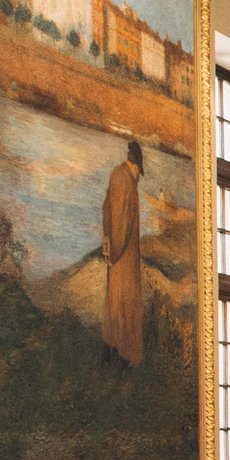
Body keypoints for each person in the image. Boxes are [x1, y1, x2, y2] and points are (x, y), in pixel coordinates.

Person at [101, 140, 144, 367]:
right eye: (139, 171)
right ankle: (126, 358)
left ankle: (110, 352)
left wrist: (107, 246)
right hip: (125, 256)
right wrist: (116, 251)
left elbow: (106, 208)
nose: (138, 175)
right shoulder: (128, 182)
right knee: (127, 305)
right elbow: (125, 224)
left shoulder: (115, 174)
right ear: (135, 166)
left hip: (114, 254)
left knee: (114, 303)